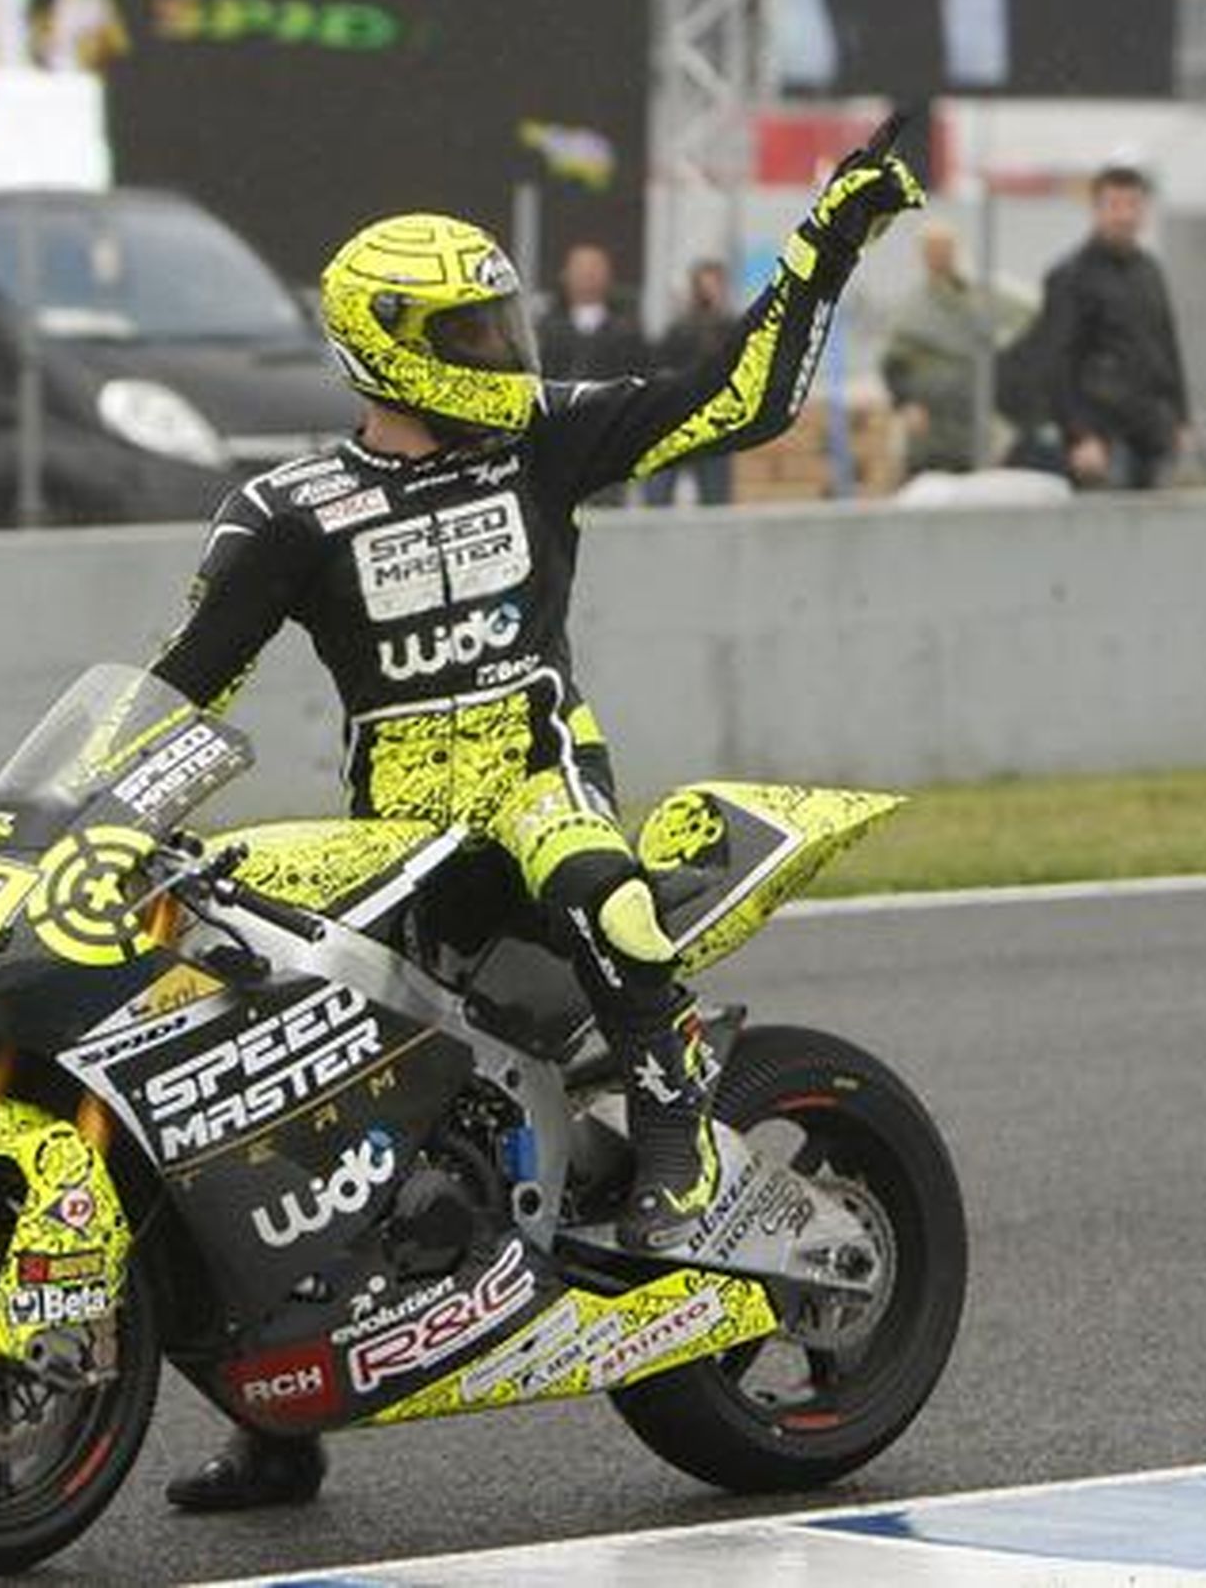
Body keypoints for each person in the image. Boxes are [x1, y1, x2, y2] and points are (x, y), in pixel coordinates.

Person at [151, 126, 925, 1511]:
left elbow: (741, 396)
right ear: (387, 343)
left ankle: (680, 1147)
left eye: (503, 319)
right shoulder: (288, 510)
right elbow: (180, 689)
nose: (505, 348)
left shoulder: (544, 432)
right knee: (260, 1082)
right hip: (390, 830)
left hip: (533, 773)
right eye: (472, 328)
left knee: (600, 878)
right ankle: (279, 1425)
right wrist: (93, 811)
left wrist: (825, 246)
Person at [1039, 164, 1191, 491]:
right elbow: (1057, 365)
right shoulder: (1070, 276)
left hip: (1154, 433)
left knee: (1161, 535)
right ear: (1096, 210)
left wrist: (1182, 419)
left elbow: (1167, 346)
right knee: (1110, 535)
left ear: (1144, 211)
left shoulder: (1149, 271)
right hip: (1104, 441)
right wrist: (1080, 436)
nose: (1124, 216)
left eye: (1133, 205)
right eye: (1114, 205)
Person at [879, 221, 994, 477]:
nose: (940, 256)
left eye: (945, 248)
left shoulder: (974, 299)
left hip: (969, 424)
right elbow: (892, 365)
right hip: (928, 425)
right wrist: (906, 403)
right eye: (933, 250)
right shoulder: (913, 307)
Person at [644, 259, 737, 505]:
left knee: (715, 495)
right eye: (702, 288)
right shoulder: (678, 330)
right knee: (658, 493)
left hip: (715, 421)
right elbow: (660, 369)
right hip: (676, 420)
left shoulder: (733, 328)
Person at [534, 242, 646, 382]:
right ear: (565, 275)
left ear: (609, 275)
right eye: (580, 268)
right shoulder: (545, 330)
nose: (588, 274)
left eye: (595, 268)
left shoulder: (628, 332)